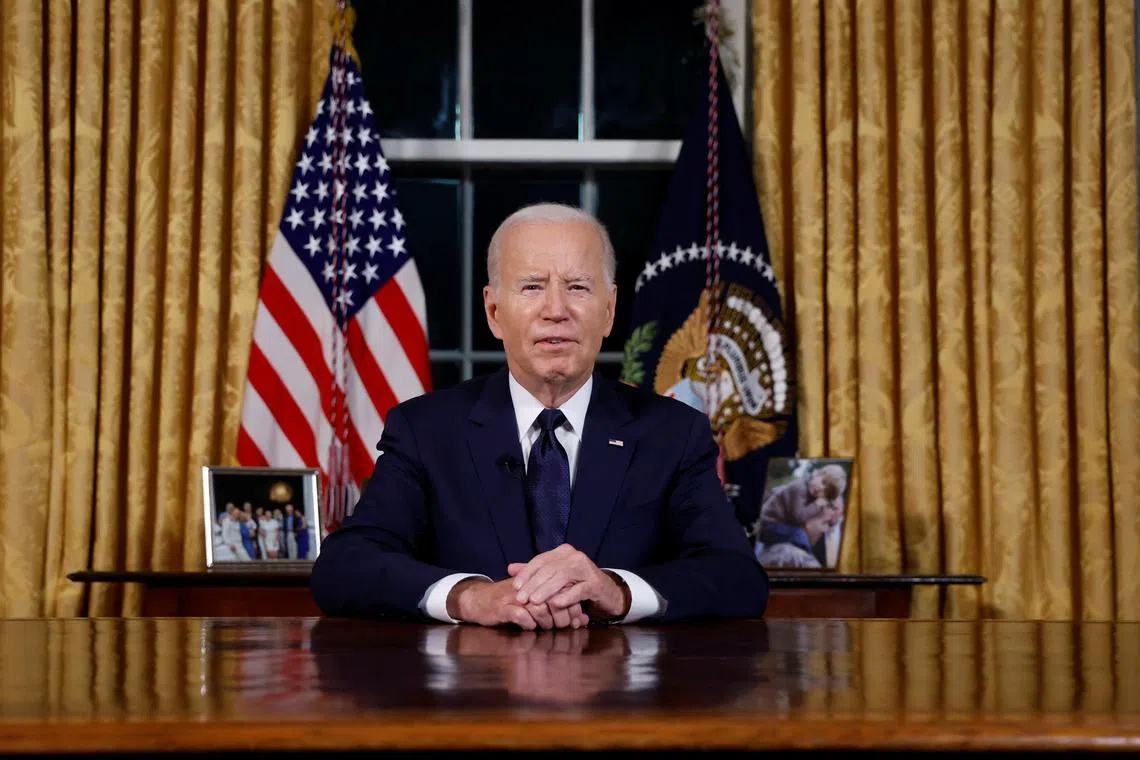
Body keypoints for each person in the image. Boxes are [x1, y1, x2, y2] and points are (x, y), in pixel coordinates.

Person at [311, 203, 767, 628]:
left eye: (578, 287)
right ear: (494, 311)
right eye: (532, 286)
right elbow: (344, 565)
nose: (556, 311)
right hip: (471, 697)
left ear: (608, 312)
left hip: (621, 700)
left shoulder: (673, 433)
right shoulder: (426, 431)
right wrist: (471, 597)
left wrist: (617, 590)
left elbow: (737, 576)